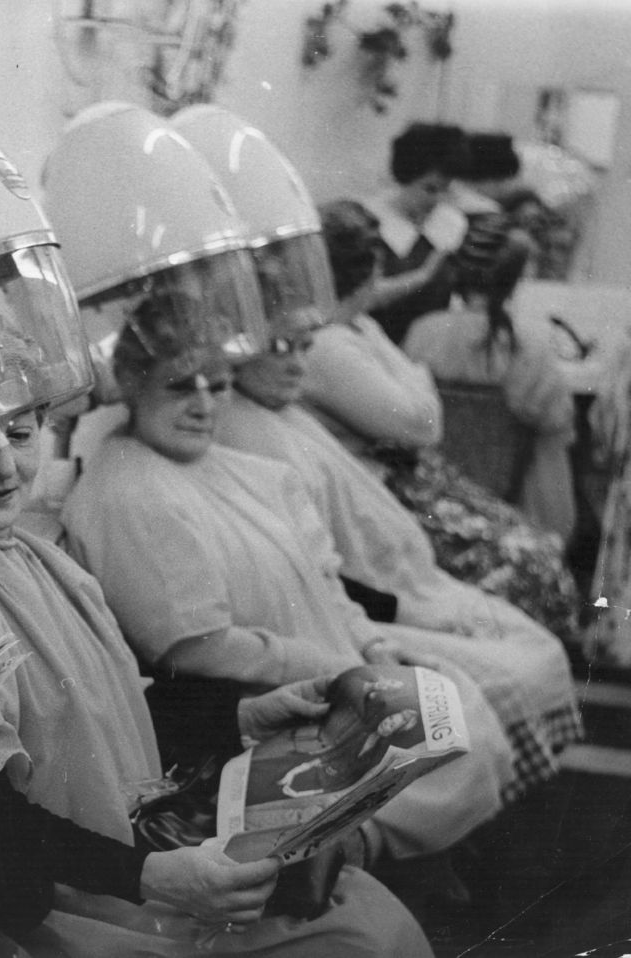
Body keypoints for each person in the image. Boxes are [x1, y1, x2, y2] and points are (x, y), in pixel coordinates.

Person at [0, 302, 434, 957]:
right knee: (361, 942)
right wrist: (153, 876)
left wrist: (241, 714)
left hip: (124, 864)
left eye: (22, 429)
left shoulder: (28, 550)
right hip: (62, 910)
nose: (5, 465)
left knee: (371, 914)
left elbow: (99, 711)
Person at [61, 291, 517, 868]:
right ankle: (378, 864)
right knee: (452, 737)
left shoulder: (257, 474)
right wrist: (334, 669)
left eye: (219, 383)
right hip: (271, 714)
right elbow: (196, 646)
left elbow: (325, 584)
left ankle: (413, 869)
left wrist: (374, 645)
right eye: (180, 385)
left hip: (338, 674)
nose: (204, 405)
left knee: (460, 702)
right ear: (132, 381)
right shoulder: (127, 491)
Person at [218, 300, 581, 805]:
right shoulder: (237, 430)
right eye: (279, 350)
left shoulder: (286, 413)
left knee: (534, 645)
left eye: (303, 350)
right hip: (355, 614)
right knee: (510, 669)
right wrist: (402, 613)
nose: (298, 365)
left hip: (383, 597)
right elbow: (315, 576)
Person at [303, 198, 583, 643]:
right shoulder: (529, 348)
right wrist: (419, 387)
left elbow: (418, 394)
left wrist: (420, 384)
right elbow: (427, 418)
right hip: (432, 487)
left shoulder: (418, 331)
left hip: (437, 477)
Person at [403, 219, 578, 543]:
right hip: (514, 506)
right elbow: (556, 424)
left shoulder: (423, 332)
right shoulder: (529, 346)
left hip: (434, 496)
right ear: (514, 281)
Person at [362, 122, 471, 345]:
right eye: (430, 188)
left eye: (446, 189)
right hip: (376, 344)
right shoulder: (369, 221)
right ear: (405, 178)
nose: (438, 199)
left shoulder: (452, 223)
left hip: (430, 346)